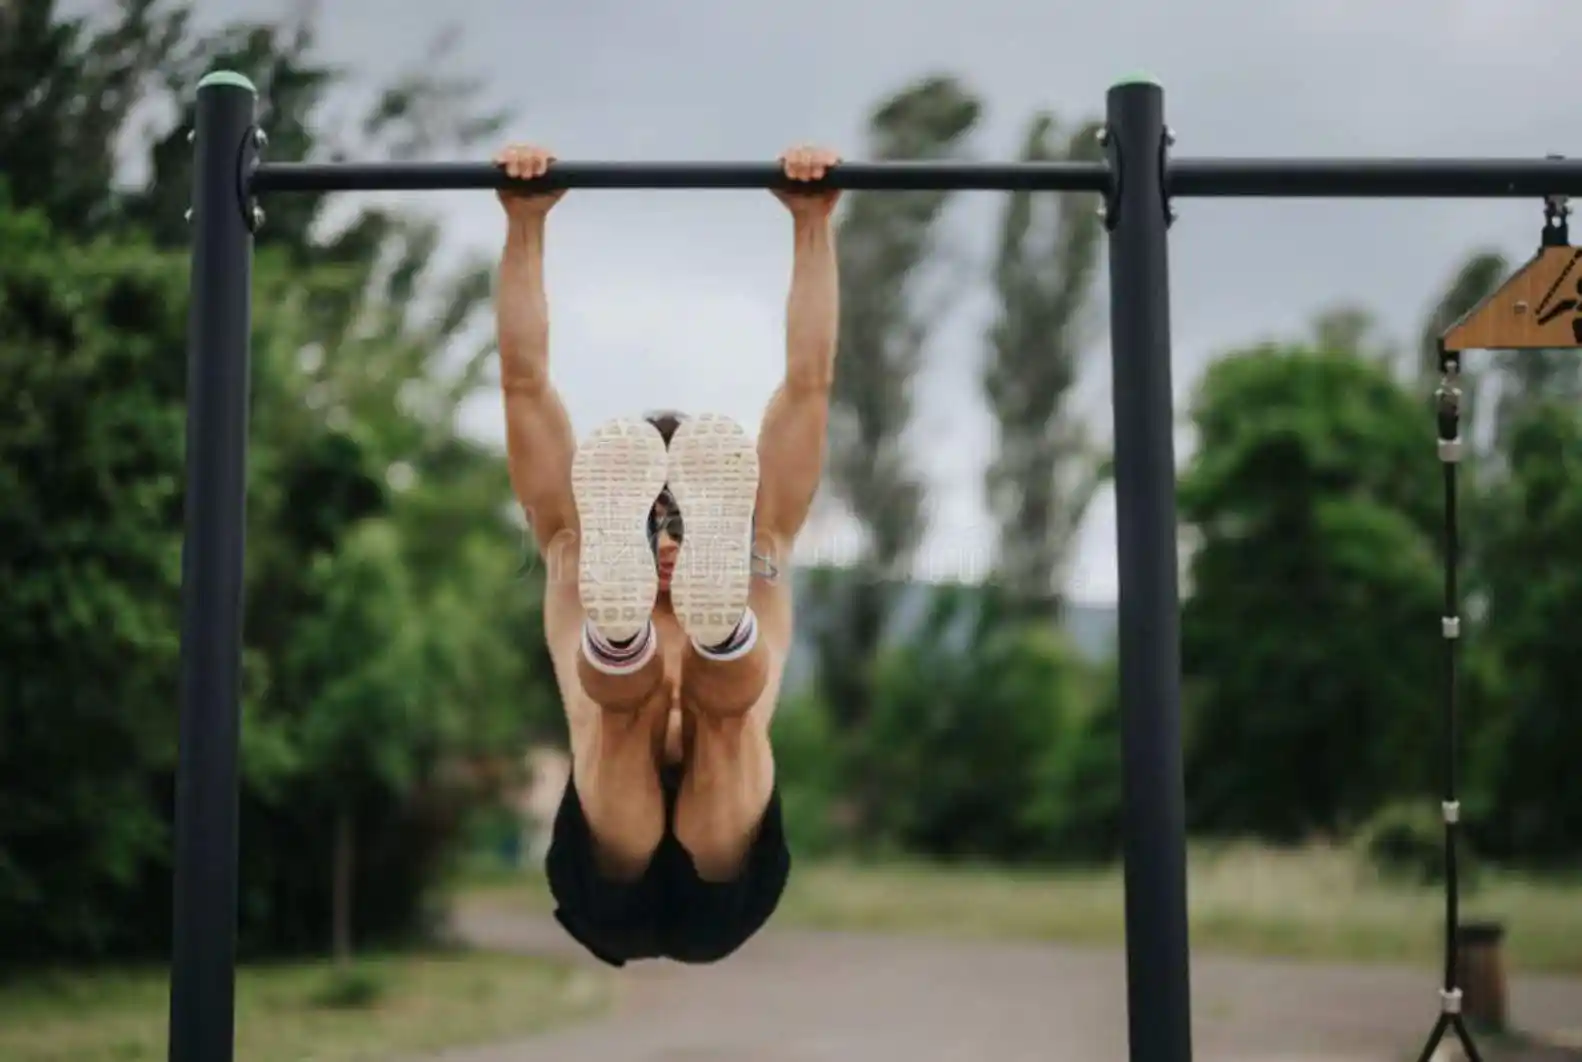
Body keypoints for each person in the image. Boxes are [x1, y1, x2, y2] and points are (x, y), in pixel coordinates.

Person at [491, 140, 841, 965]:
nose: (672, 542)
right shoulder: (578, 551)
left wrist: (814, 225)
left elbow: (809, 384)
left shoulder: (756, 546)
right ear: (624, 523)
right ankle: (635, 640)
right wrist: (524, 225)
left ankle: (704, 638)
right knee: (634, 714)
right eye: (652, 522)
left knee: (715, 719)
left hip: (724, 854)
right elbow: (523, 385)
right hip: (616, 848)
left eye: (684, 521)